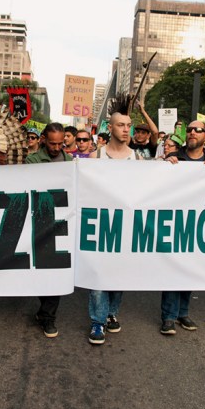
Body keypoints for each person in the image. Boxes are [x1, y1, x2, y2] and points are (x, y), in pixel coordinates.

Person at [86, 95, 141, 345]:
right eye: (121, 125)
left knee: (119, 275)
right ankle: (97, 322)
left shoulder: (137, 159)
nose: (126, 129)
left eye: (129, 125)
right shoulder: (96, 157)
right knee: (98, 274)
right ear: (110, 127)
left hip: (125, 228)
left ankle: (111, 313)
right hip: (100, 225)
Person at [158, 119, 205, 336]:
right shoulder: (175, 158)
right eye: (189, 129)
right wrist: (165, 164)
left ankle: (183, 312)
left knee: (190, 269)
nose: (192, 132)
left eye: (198, 130)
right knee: (173, 267)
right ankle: (168, 316)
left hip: (199, 222)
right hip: (175, 221)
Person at [25, 123, 71, 337]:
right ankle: (45, 311)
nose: (56, 147)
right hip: (39, 222)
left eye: (60, 143)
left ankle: (48, 317)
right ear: (43, 140)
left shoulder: (70, 161)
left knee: (57, 270)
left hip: (61, 224)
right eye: (52, 143)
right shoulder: (32, 161)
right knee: (41, 270)